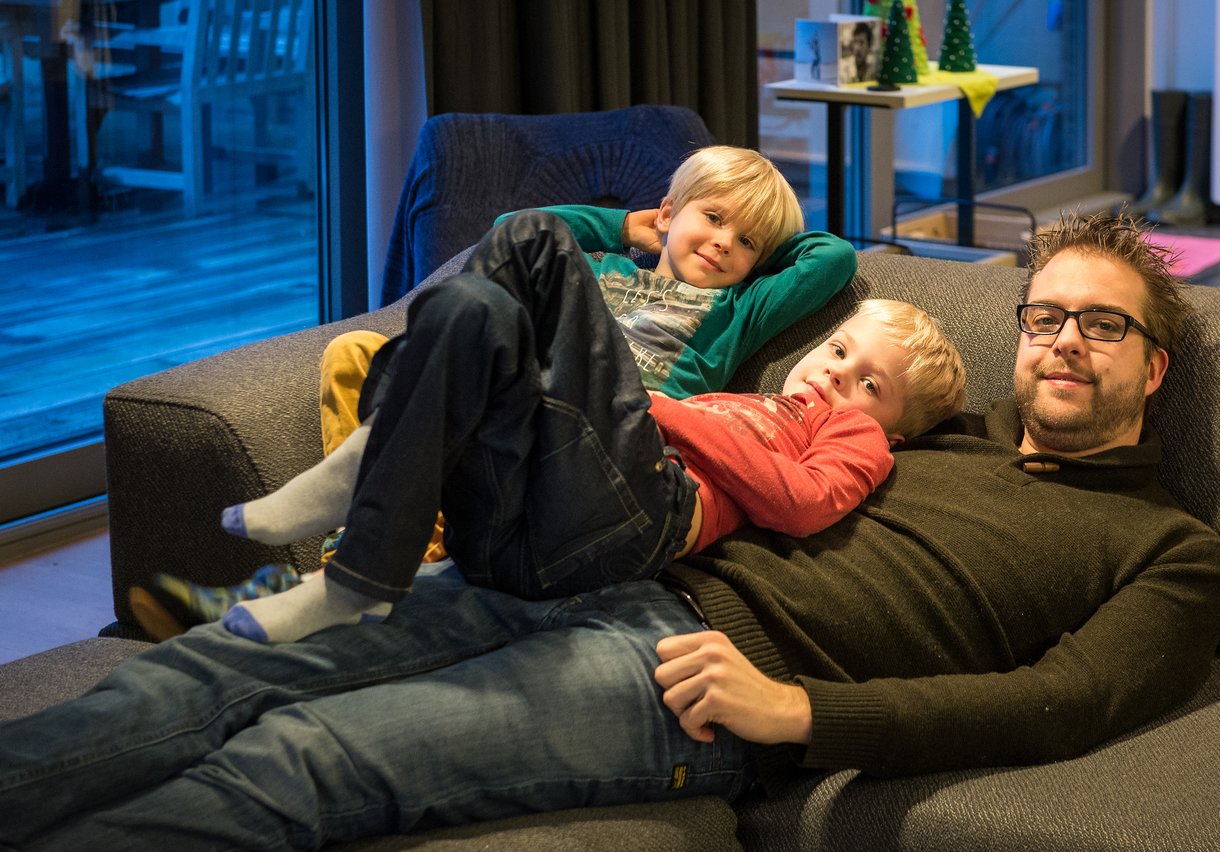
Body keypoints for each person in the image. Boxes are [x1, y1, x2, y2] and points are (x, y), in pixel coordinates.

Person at [0, 212, 1220, 850]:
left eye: (1102, 325)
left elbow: (1059, 703)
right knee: (222, 665)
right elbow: (766, 377)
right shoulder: (928, 431)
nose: (1062, 338)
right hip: (599, 562)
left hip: (683, 678)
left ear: (1156, 368)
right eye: (1043, 316)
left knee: (303, 760)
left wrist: (802, 715)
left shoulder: (1169, 550)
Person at [129, 144, 859, 639]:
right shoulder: (603, 260)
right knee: (362, 350)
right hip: (529, 414)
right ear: (668, 212)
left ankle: (369, 500)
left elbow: (833, 256)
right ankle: (386, 537)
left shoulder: (739, 308)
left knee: (535, 243)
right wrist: (628, 225)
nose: (726, 242)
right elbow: (502, 234)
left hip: (615, 439)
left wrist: (759, 221)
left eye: (748, 242)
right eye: (713, 217)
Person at [208, 212, 964, 644]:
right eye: (838, 351)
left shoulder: (853, 441)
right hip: (534, 523)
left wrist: (656, 409)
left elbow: (797, 502)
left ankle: (365, 471)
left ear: (892, 432)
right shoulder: (746, 400)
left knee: (537, 241)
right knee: (476, 308)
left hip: (643, 514)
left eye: (871, 385)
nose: (836, 375)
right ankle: (366, 560)